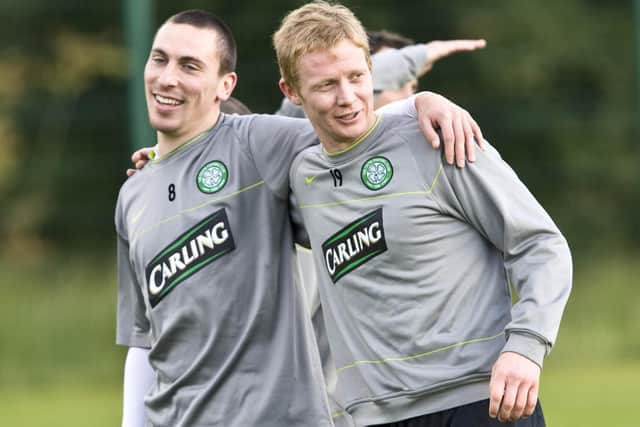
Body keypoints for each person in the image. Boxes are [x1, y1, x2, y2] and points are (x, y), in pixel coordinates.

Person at [117, 8, 485, 427]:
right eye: (159, 59)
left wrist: (418, 102)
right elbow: (144, 340)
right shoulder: (133, 195)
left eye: (189, 65)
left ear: (225, 85)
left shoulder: (257, 143)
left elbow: (344, 113)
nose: (168, 78)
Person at [275, 1, 572, 426]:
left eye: (357, 77)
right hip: (373, 417)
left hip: (480, 402)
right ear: (292, 92)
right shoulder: (301, 177)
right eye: (325, 86)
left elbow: (539, 243)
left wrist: (526, 346)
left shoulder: (440, 138)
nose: (347, 98)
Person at [276, 30, 485, 115]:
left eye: (413, 86)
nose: (411, 98)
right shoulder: (297, 134)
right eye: (394, 82)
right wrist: (422, 55)